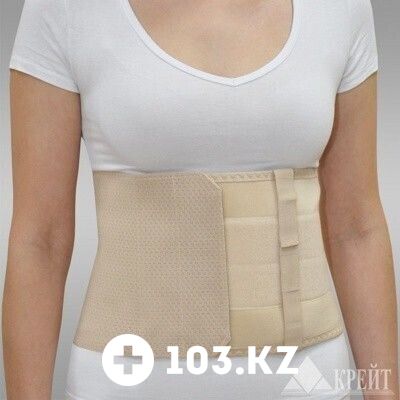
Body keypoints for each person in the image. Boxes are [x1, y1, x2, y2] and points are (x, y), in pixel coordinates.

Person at [3, 0, 398, 399]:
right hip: (127, 382)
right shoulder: (66, 10)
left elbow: (356, 229)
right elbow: (40, 241)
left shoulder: (339, 8)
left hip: (308, 382)